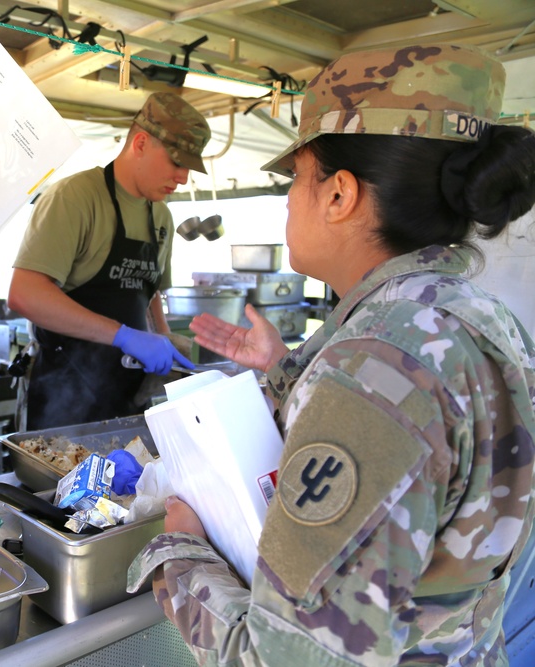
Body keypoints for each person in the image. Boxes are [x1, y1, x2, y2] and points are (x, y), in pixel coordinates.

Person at [128, 44, 535, 665]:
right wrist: (288, 369)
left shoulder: (377, 367)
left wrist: (181, 552)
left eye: (297, 177)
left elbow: (281, 657)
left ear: (340, 195)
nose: (290, 198)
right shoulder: (476, 318)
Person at [7, 92, 208, 429]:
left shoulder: (161, 217)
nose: (184, 177)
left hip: (129, 396)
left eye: (189, 166)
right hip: (65, 395)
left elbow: (149, 292)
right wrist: (126, 336)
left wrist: (163, 340)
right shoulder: (75, 198)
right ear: (141, 143)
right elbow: (25, 294)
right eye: (176, 162)